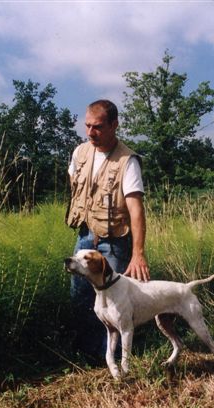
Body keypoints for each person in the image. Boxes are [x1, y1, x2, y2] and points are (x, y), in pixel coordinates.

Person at [66, 99, 150, 360]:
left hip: (113, 243)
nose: (91, 132)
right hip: (85, 238)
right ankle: (87, 353)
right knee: (80, 298)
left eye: (98, 127)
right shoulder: (80, 153)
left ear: (114, 125)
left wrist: (138, 253)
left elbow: (136, 210)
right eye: (87, 126)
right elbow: (75, 187)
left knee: (114, 304)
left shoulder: (128, 161)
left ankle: (113, 359)